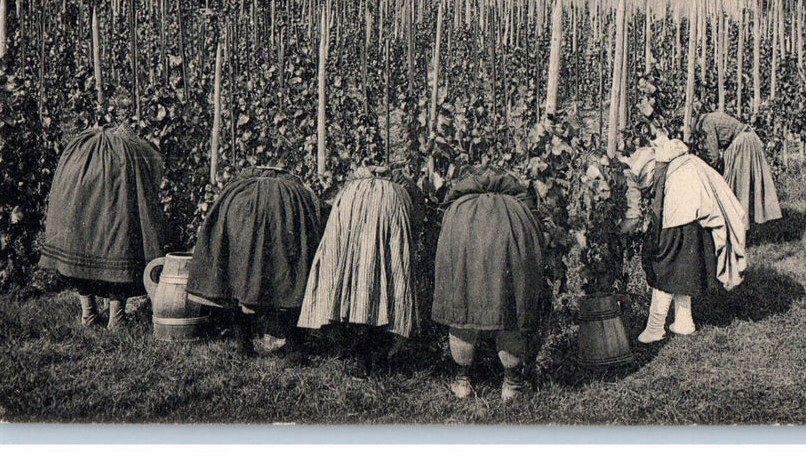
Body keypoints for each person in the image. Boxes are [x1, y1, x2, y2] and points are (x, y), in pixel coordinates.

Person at [40, 123, 175, 330]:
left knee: (80, 253)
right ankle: (115, 317)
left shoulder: (81, 154)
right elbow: (154, 165)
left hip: (82, 206)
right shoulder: (127, 155)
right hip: (113, 206)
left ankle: (89, 313)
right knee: (120, 250)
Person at [432, 166, 546, 403]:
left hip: (466, 268)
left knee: (462, 316)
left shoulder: (458, 210)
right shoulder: (517, 210)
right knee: (509, 315)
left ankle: (463, 381)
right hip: (506, 264)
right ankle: (511, 384)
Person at [622, 133, 747, 344]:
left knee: (667, 265)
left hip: (683, 206)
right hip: (696, 207)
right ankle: (683, 321)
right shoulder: (673, 155)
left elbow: (649, 215)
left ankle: (655, 328)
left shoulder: (648, 173)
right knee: (682, 267)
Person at [298, 166, 420, 375]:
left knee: (356, 281)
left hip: (353, 204)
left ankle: (362, 358)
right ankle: (378, 357)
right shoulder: (398, 189)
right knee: (387, 281)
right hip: (390, 205)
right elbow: (417, 218)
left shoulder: (350, 190)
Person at [187, 166, 321, 357]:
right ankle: (293, 347)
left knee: (237, 275)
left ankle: (245, 345)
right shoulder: (295, 193)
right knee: (290, 277)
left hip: (244, 207)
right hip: (280, 207)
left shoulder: (240, 191)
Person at [695, 109, 782, 229]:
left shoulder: (705, 124)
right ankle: (743, 226)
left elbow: (713, 157)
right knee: (743, 188)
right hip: (747, 138)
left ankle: (738, 228)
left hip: (742, 145)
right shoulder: (709, 117)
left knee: (736, 189)